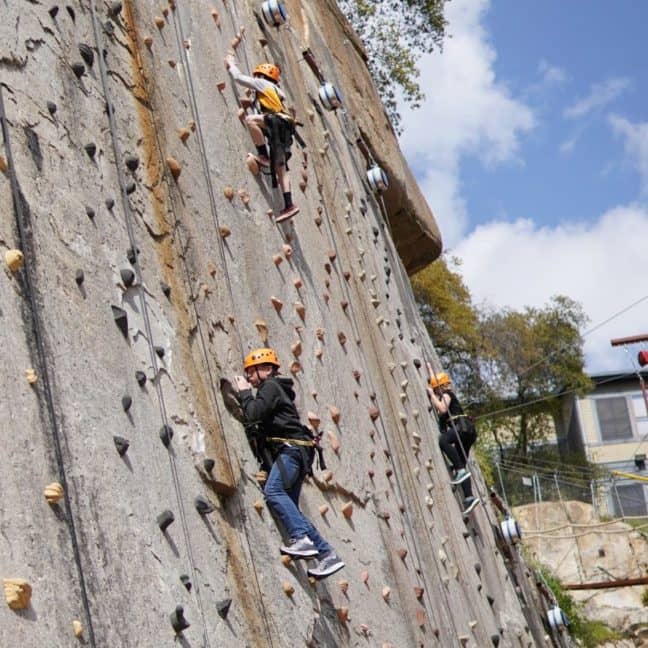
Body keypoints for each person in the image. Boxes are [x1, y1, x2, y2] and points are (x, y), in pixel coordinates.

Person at [233, 348, 345, 579]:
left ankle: (302, 539)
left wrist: (244, 394)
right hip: (297, 452)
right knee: (292, 509)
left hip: (292, 451)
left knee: (273, 492)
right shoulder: (274, 389)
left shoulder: (270, 387)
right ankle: (326, 555)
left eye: (251, 372)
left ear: (266, 369)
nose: (248, 378)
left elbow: (253, 413)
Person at [224, 53, 299, 223]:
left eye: (256, 76)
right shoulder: (279, 93)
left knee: (251, 120)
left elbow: (238, 78)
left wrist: (231, 63)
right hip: (286, 128)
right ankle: (289, 204)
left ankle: (263, 155)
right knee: (280, 166)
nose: (254, 79)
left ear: (261, 76)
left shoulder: (262, 83)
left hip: (276, 121)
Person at [426, 365, 480, 515]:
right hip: (468, 432)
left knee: (443, 441)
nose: (436, 392)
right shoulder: (445, 392)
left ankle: (460, 471)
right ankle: (469, 497)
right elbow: (434, 381)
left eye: (437, 389)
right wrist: (430, 369)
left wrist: (431, 395)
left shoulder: (447, 394)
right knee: (460, 463)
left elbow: (442, 409)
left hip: (462, 428)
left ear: (440, 387)